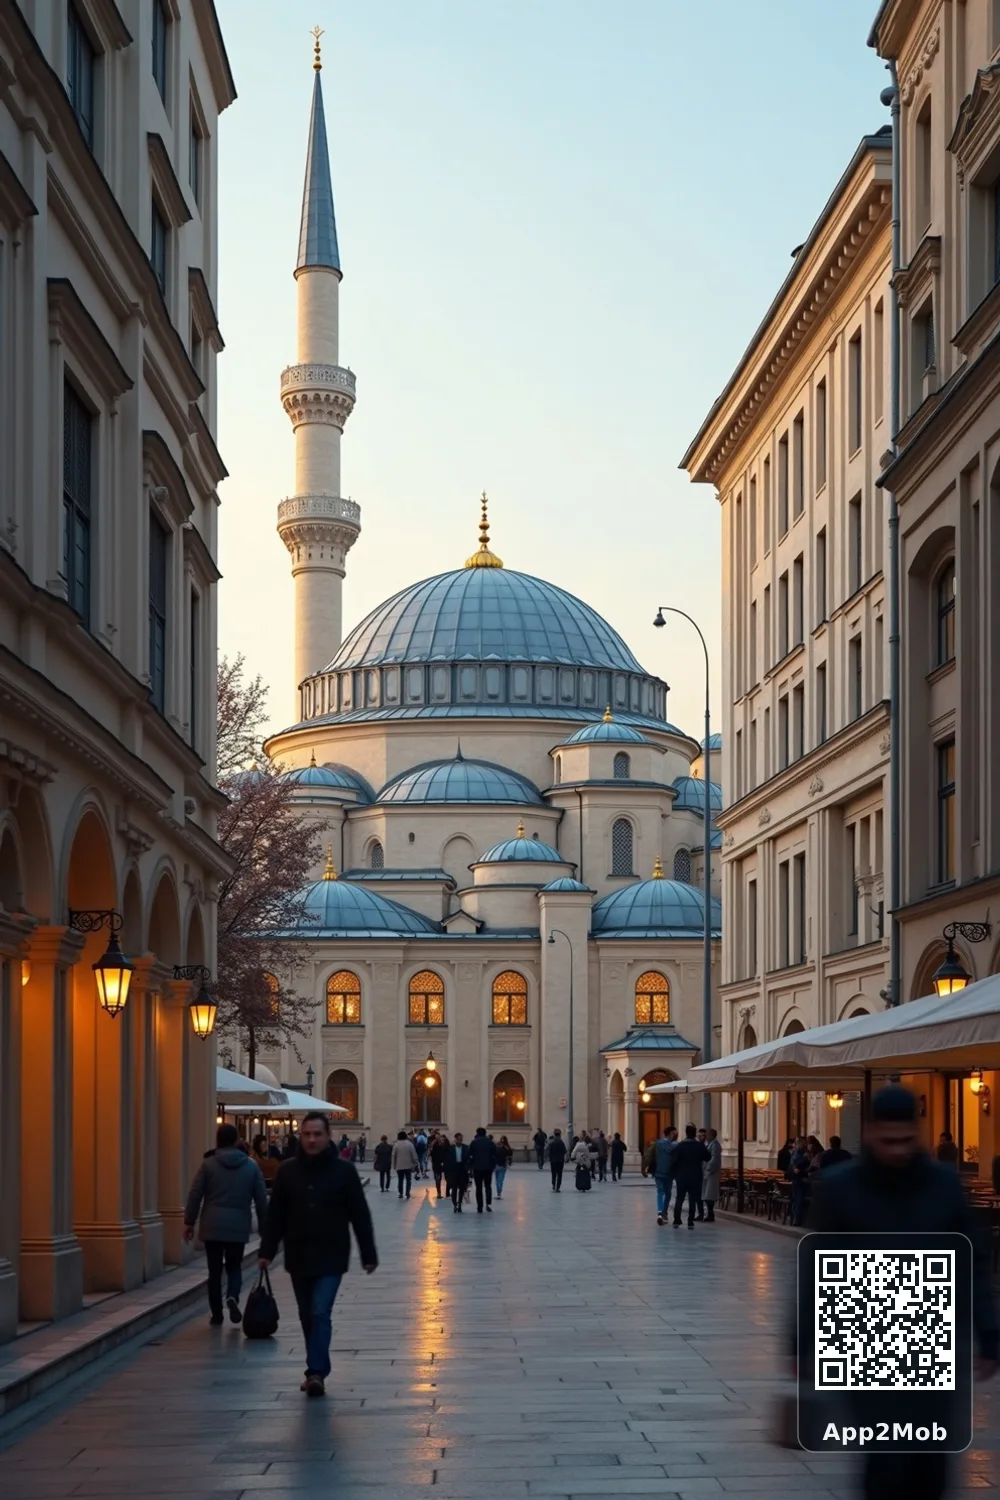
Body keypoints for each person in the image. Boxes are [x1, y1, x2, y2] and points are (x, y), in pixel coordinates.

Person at [800, 1085, 998, 1500]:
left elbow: (973, 1261)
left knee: (931, 1462)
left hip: (934, 1341)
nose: (896, 1150)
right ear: (871, 1133)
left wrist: (989, 1333)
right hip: (865, 1340)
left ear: (917, 1132)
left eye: (905, 1140)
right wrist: (802, 1341)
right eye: (888, 1141)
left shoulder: (943, 1184)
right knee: (886, 1458)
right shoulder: (841, 1187)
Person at [259, 1111, 376, 1398]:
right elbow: (275, 1216)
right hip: (298, 1255)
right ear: (301, 1136)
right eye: (307, 1134)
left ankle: (316, 1372)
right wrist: (266, 1251)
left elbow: (359, 1215)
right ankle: (316, 1367)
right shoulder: (287, 1171)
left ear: (328, 1136)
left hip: (332, 1255)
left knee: (320, 1310)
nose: (312, 1139)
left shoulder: (344, 1172)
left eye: (317, 1134)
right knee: (305, 1314)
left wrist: (368, 1252)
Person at [184, 1123, 268, 1326]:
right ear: (236, 1141)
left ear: (218, 1141)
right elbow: (261, 1199)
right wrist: (265, 1227)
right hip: (238, 1226)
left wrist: (189, 1221)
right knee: (234, 1266)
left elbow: (195, 1194)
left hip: (212, 1225)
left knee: (214, 1271)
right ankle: (232, 1295)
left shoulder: (208, 1164)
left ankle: (216, 1313)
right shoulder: (251, 1166)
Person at [671, 1124, 710, 1228]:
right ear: (695, 1133)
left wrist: (675, 1174)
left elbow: (674, 1161)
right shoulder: (699, 1146)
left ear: (686, 1133)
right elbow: (708, 1157)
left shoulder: (680, 1146)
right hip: (695, 1176)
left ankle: (676, 1220)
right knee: (692, 1199)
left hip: (681, 1176)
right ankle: (690, 1221)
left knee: (679, 1198)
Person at [645, 1125, 678, 1226]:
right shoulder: (675, 1145)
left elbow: (648, 1155)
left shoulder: (657, 1144)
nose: (676, 1135)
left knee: (660, 1191)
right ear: (669, 1133)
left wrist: (645, 1167)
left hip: (659, 1172)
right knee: (667, 1193)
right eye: (674, 1133)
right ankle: (664, 1212)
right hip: (669, 1172)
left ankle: (660, 1212)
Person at [468, 1126, 497, 1213]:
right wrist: (493, 1165)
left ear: (477, 1133)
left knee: (479, 1187)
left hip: (477, 1168)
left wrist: (471, 1165)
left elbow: (469, 1154)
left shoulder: (474, 1142)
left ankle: (479, 1206)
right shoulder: (490, 1142)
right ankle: (488, 1203)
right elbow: (495, 1154)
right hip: (488, 1168)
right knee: (488, 1186)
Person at [444, 1132, 470, 1212]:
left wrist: (468, 1169)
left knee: (462, 1188)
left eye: (461, 1139)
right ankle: (454, 1204)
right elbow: (447, 1160)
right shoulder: (450, 1148)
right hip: (453, 1170)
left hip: (462, 1169)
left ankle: (460, 1203)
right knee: (454, 1188)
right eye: (458, 1139)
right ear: (455, 1139)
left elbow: (468, 1159)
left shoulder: (466, 1147)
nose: (460, 1140)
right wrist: (447, 1171)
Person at [788, 1136, 811, 1225]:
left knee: (798, 1199)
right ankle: (796, 1218)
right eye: (796, 1142)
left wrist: (797, 1170)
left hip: (799, 1179)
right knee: (798, 1199)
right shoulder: (800, 1153)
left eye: (798, 1142)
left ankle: (797, 1218)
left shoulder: (802, 1153)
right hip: (798, 1179)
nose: (796, 1144)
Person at [390, 1130, 419, 1198]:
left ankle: (400, 1193)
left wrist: (393, 1165)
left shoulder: (396, 1145)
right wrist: (416, 1162)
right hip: (408, 1165)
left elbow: (393, 1155)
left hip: (399, 1165)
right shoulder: (409, 1144)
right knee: (408, 1180)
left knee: (400, 1180)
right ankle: (407, 1193)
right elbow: (414, 1154)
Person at [702, 1127, 721, 1222]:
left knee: (710, 1194)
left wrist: (708, 1168)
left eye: (707, 1134)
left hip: (711, 1173)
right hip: (708, 1173)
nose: (706, 1136)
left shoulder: (715, 1145)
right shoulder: (710, 1144)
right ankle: (709, 1213)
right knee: (707, 1194)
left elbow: (714, 1158)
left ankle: (710, 1213)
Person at [430, 1132, 449, 1199]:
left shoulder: (447, 1148)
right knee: (438, 1180)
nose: (441, 1141)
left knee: (448, 1179)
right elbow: (431, 1147)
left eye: (443, 1140)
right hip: (437, 1166)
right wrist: (435, 1139)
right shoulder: (435, 1148)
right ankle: (439, 1193)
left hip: (445, 1165)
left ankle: (447, 1193)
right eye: (440, 1140)